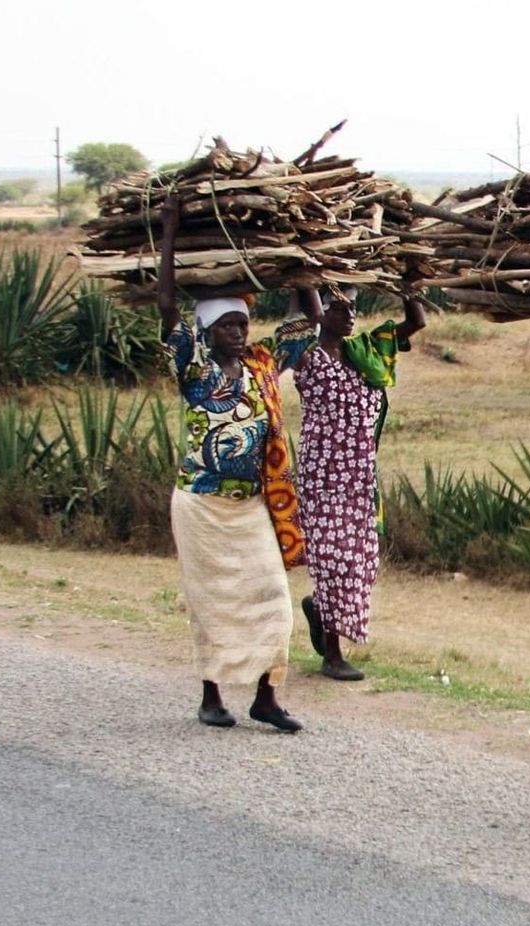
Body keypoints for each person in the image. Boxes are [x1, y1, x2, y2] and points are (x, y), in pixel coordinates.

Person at [157, 194, 309, 733]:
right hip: (200, 504)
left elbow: (305, 323)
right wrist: (169, 231)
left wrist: (302, 258)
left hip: (250, 509)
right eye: (227, 326)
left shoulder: (262, 367)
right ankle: (211, 694)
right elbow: (166, 306)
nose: (238, 333)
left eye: (242, 325)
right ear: (207, 331)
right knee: (210, 604)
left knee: (274, 600)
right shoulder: (193, 370)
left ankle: (267, 696)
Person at [284, 285, 426, 680]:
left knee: (359, 562)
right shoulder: (308, 357)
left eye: (353, 307)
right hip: (322, 476)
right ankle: (332, 654)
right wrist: (308, 272)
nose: (349, 315)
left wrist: (408, 282)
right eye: (339, 307)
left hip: (360, 477)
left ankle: (320, 610)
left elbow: (417, 321)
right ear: (322, 313)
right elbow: (302, 312)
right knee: (333, 560)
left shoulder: (366, 351)